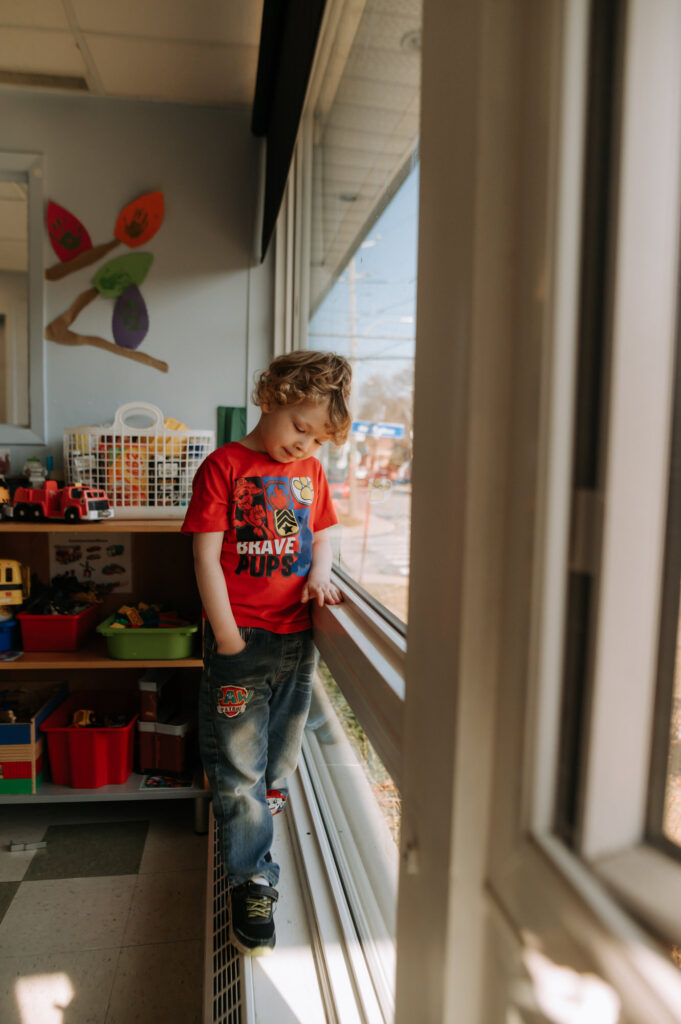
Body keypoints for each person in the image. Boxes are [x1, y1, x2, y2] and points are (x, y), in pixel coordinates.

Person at [181, 349, 352, 956]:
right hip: (240, 636)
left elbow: (325, 532)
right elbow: (205, 557)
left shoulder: (310, 473)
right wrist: (225, 634)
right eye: (299, 428)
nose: (305, 446)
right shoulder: (224, 466)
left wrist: (320, 575)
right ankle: (251, 878)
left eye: (318, 439)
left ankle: (262, 815)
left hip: (296, 637)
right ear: (270, 397)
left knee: (282, 749)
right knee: (237, 767)